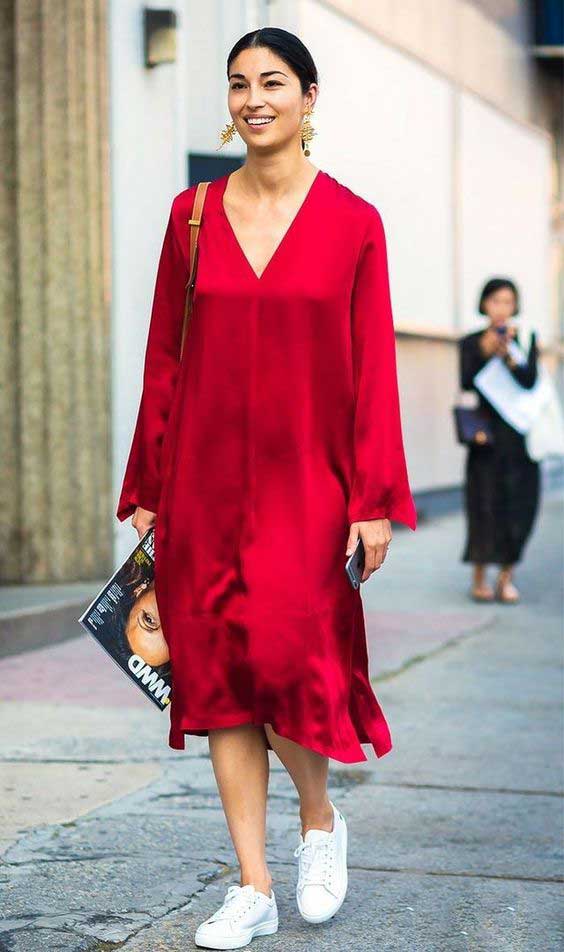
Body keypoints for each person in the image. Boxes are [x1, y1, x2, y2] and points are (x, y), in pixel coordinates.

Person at [116, 27, 417, 950]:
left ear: (309, 98)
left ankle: (319, 820)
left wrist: (373, 498)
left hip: (308, 488)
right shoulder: (192, 214)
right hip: (203, 483)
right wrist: (149, 482)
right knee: (219, 682)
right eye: (240, 83)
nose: (255, 98)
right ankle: (252, 883)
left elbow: (373, 369)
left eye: (274, 82)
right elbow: (166, 358)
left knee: (293, 660)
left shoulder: (354, 221)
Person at [459, 277, 540, 605]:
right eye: (495, 301)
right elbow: (465, 381)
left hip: (517, 438)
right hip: (485, 438)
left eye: (508, 302)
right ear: (484, 305)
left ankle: (507, 577)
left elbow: (530, 381)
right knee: (483, 505)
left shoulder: (525, 339)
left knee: (517, 505)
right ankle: (479, 575)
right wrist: (486, 350)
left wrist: (510, 354)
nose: (501, 308)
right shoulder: (470, 342)